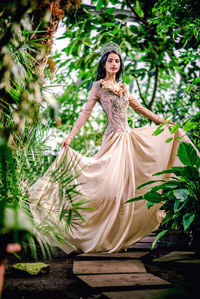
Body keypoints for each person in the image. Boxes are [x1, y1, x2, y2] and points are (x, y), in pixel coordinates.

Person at [28, 42, 194, 254]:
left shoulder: (124, 87)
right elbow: (85, 114)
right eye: (110, 61)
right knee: (107, 187)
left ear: (120, 64)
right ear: (104, 63)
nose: (114, 64)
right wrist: (69, 136)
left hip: (129, 140)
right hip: (112, 140)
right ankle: (92, 233)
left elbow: (141, 109)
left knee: (125, 191)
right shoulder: (98, 87)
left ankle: (120, 238)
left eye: (117, 61)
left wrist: (164, 123)